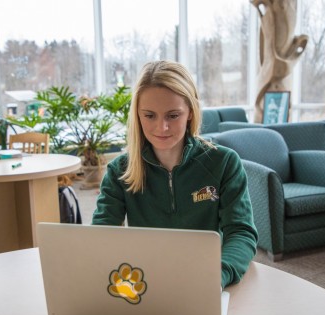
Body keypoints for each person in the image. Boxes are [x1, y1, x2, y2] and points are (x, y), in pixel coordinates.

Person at [92, 60, 258, 289]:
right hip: (144, 283)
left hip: (207, 278)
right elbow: (102, 236)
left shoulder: (224, 163)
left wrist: (218, 275)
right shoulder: (120, 171)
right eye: (149, 115)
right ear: (137, 115)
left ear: (190, 111)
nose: (162, 128)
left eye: (173, 115)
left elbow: (241, 232)